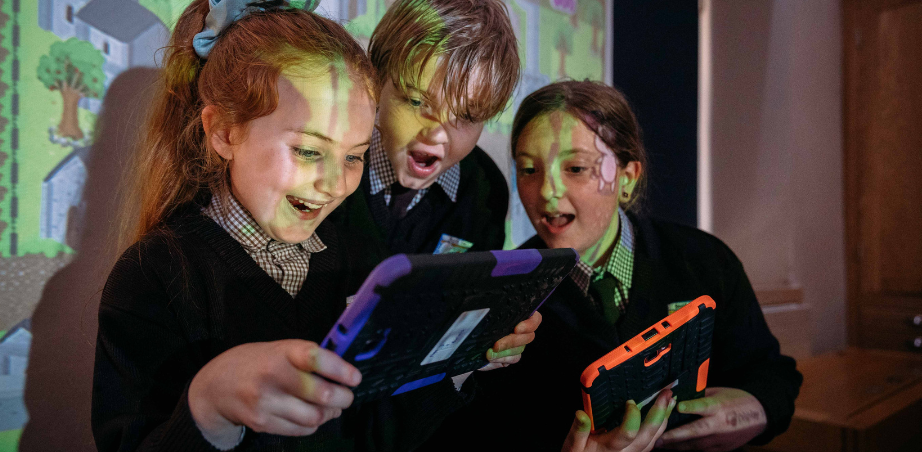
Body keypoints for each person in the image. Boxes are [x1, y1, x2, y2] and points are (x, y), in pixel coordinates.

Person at [92, 1, 534, 450]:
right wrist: (208, 406)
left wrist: (460, 360)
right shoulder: (154, 275)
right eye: (307, 151)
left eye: (354, 156)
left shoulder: (349, 258)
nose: (333, 184)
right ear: (224, 132)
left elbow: (367, 426)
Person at [426, 80, 803, 452]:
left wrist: (756, 409)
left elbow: (773, 373)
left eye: (574, 168)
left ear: (627, 177)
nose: (546, 191)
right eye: (528, 170)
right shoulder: (509, 298)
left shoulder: (702, 261)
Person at [329, 0, 518, 272]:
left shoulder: (486, 191)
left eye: (465, 117)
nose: (437, 134)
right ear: (377, 81)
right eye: (416, 102)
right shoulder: (330, 159)